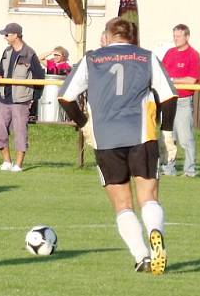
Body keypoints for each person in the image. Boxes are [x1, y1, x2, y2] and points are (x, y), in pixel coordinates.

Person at [58, 17, 177, 275]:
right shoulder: (146, 57)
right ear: (132, 38)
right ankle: (155, 230)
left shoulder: (92, 59)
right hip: (141, 136)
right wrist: (167, 134)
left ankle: (142, 256)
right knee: (148, 197)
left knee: (123, 204)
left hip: (106, 139)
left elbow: (65, 97)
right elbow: (169, 97)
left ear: (108, 36)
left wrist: (83, 124)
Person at [0, 22, 45, 172]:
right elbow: (0, 67)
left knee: (20, 132)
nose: (5, 37)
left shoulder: (30, 54)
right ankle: (7, 161)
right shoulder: (7, 52)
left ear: (15, 35)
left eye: (7, 34)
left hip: (21, 101)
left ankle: (19, 164)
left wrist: (34, 98)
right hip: (4, 99)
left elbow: (39, 76)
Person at [160, 24, 200, 177]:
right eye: (174, 36)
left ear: (187, 37)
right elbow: (162, 72)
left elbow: (191, 80)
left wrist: (172, 80)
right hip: (169, 100)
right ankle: (168, 168)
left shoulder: (193, 55)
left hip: (183, 101)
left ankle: (190, 170)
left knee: (186, 137)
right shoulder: (170, 53)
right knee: (169, 137)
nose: (175, 39)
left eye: (178, 36)